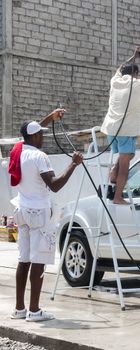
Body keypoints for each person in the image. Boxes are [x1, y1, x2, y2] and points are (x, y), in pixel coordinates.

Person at [10, 109, 83, 322]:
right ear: (34, 137)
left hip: (22, 211)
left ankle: (19, 309)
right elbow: (55, 186)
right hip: (39, 214)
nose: (43, 137)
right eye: (41, 134)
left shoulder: (18, 150)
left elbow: (31, 132)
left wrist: (49, 118)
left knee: (23, 261)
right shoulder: (40, 156)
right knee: (39, 261)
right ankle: (34, 311)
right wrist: (73, 164)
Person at [101, 47, 140, 204]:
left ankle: (113, 172)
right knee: (126, 163)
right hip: (126, 130)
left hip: (110, 130)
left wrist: (132, 56)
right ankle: (118, 197)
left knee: (128, 154)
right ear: (136, 74)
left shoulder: (115, 81)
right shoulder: (139, 83)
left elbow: (120, 67)